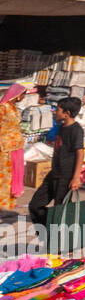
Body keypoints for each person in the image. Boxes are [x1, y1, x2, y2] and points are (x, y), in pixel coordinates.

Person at [28, 97, 85, 239]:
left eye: (58, 109)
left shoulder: (76, 130)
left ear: (67, 113)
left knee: (61, 209)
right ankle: (48, 233)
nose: (54, 112)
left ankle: (61, 242)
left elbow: (80, 152)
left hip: (66, 177)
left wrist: (76, 177)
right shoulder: (60, 127)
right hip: (54, 174)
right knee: (35, 205)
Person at [0, 83, 26, 213]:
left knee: (13, 174)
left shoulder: (14, 108)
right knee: (4, 174)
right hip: (4, 146)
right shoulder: (3, 108)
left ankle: (9, 203)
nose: (23, 97)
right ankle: (2, 203)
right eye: (23, 94)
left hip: (16, 145)